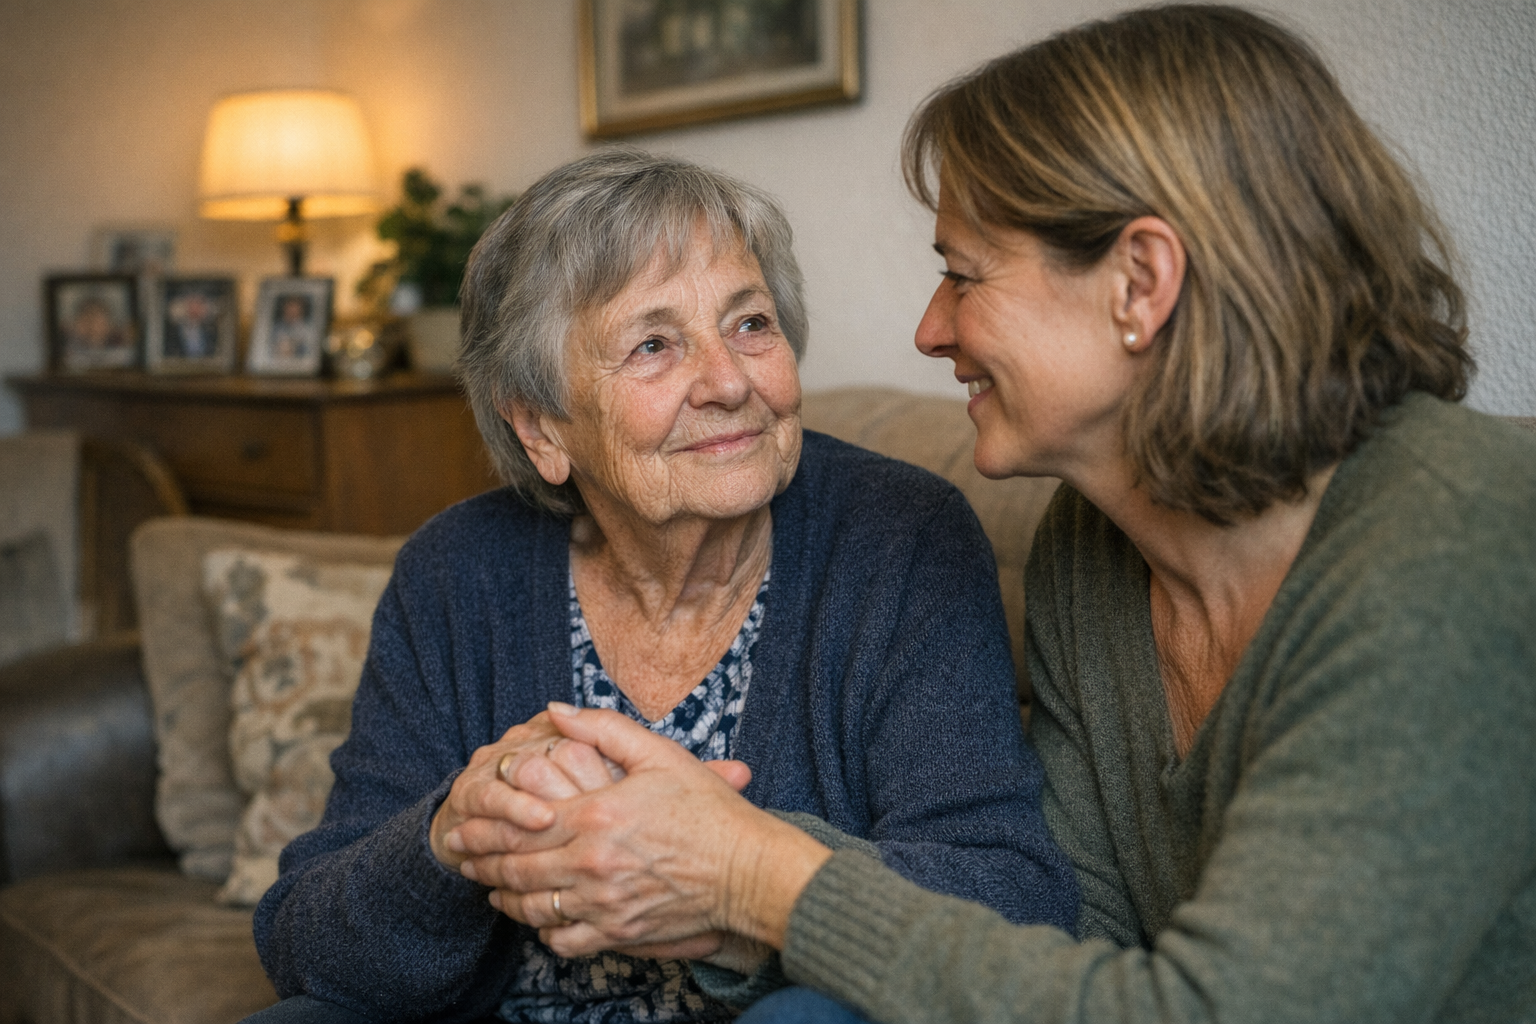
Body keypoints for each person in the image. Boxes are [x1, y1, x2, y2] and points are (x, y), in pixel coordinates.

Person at [456, 7, 1536, 1023]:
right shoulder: (1097, 542)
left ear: (1140, 282)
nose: (930, 329)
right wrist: (700, 878)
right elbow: (1059, 952)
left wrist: (753, 871)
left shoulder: (1458, 536)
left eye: (964, 274)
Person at [248, 150, 1078, 1023]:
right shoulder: (458, 573)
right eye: (653, 345)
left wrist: (729, 877)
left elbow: (1010, 890)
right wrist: (451, 836)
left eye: (751, 324)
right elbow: (301, 941)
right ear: (539, 427)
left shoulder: (899, 536)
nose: (728, 382)